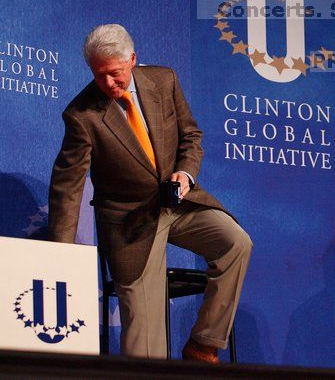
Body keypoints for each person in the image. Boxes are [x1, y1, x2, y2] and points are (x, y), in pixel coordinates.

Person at [48, 24, 252, 363]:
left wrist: (185, 174)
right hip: (130, 223)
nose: (108, 83)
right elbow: (67, 187)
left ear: (132, 59)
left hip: (179, 202)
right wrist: (61, 256)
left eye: (115, 74)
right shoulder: (81, 116)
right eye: (99, 76)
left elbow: (191, 137)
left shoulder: (163, 80)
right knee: (146, 343)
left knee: (236, 242)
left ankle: (203, 345)